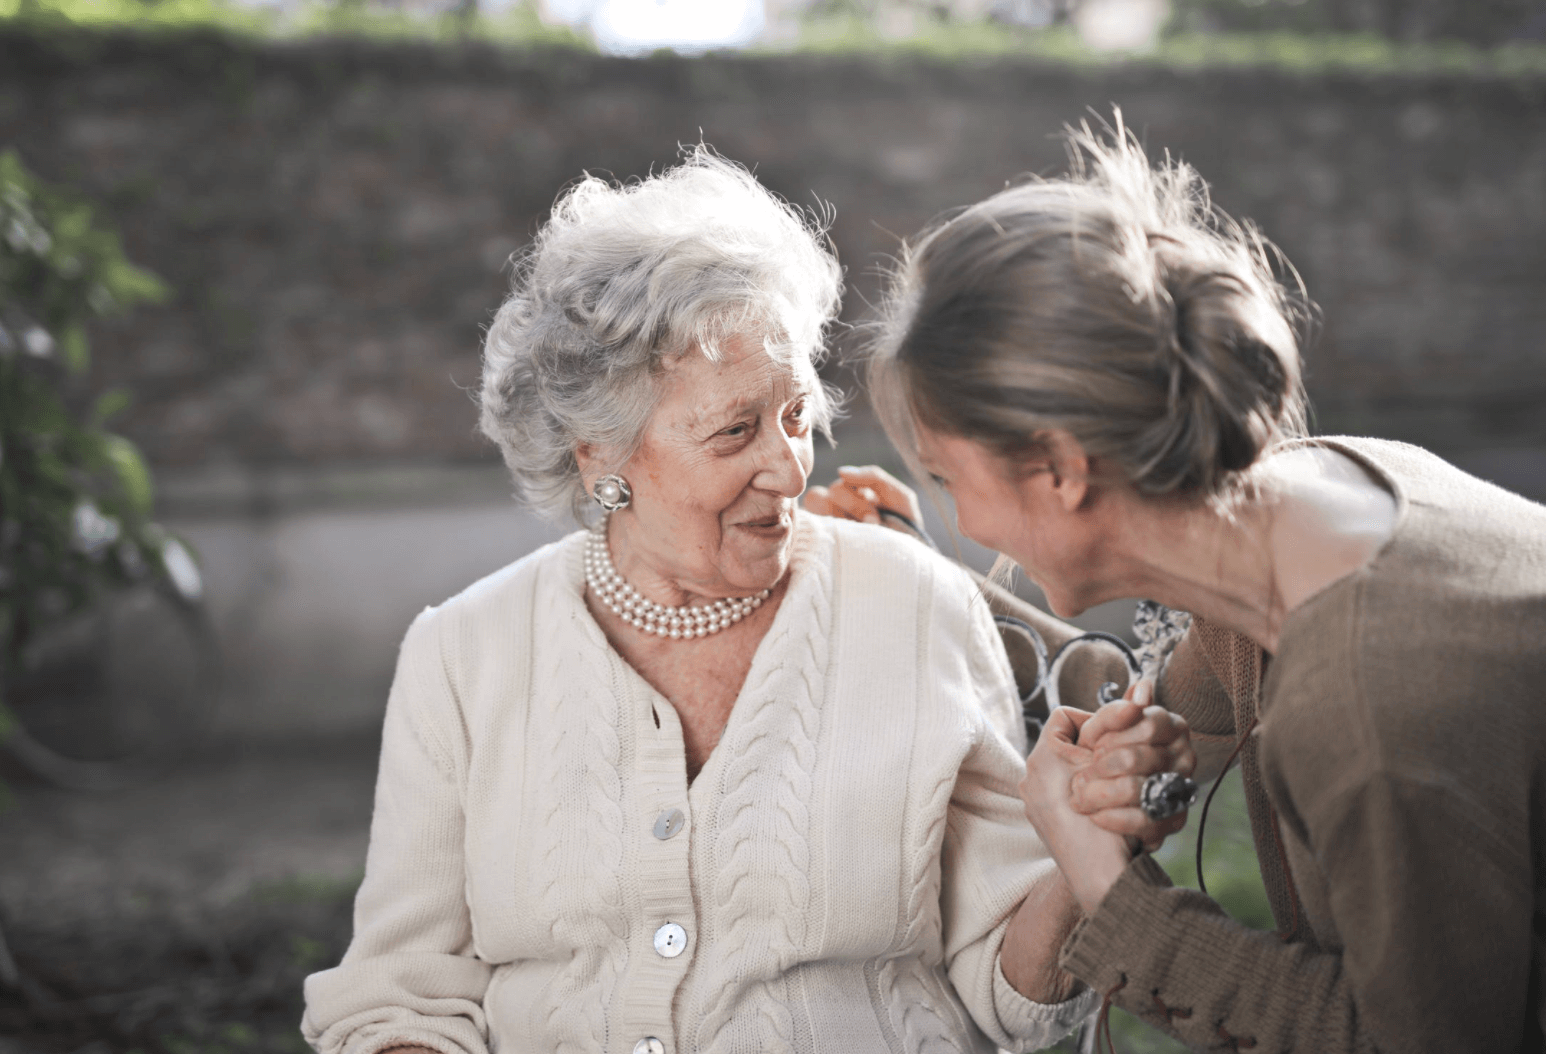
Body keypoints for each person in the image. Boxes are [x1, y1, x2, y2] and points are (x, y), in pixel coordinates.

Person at [300, 149, 1192, 1054]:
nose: (789, 465)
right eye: (735, 431)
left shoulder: (911, 603)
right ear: (598, 455)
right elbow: (400, 995)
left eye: (797, 415)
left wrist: (1079, 849)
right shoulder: (462, 653)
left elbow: (1015, 995)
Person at [838, 115, 1546, 1053]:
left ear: (1056, 468)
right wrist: (908, 568)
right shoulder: (1320, 495)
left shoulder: (1371, 708)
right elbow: (1162, 701)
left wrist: (1113, 894)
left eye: (949, 480)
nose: (965, 524)